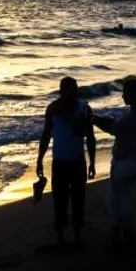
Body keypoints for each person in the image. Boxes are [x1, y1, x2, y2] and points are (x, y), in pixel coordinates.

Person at [36, 77, 97, 245]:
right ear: (61, 91)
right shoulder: (53, 109)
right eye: (68, 90)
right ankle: (61, 237)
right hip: (59, 162)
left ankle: (77, 236)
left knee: (78, 200)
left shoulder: (84, 108)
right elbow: (46, 135)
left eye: (73, 90)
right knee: (59, 201)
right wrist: (40, 159)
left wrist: (92, 162)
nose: (71, 94)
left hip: (78, 161)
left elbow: (90, 137)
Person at [93, 76, 136, 248]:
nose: (122, 95)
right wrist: (95, 118)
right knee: (115, 199)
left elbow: (112, 128)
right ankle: (122, 234)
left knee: (117, 201)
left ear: (131, 94)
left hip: (124, 163)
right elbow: (114, 123)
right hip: (133, 161)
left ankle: (124, 235)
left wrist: (93, 119)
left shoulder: (130, 116)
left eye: (125, 92)